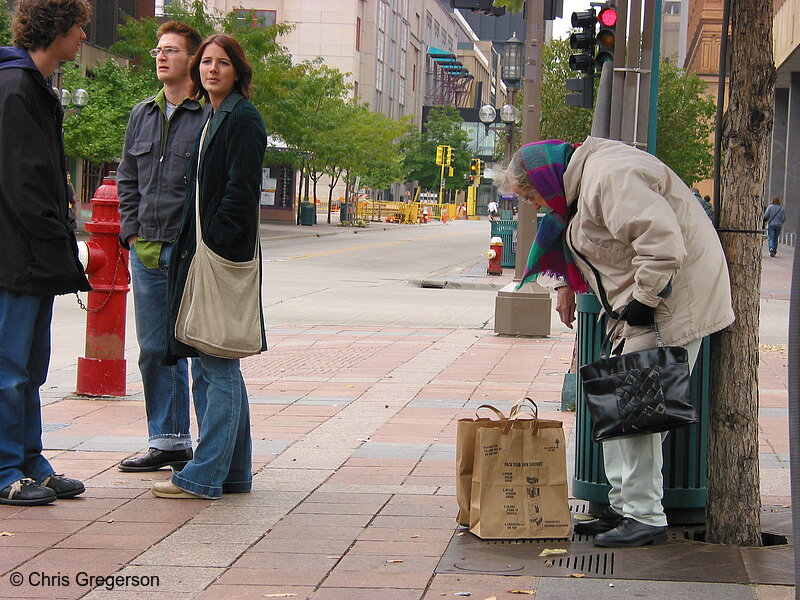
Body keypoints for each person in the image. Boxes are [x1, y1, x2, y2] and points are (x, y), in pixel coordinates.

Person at [495, 138, 734, 547]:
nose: (532, 204)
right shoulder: (587, 181)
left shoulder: (609, 176)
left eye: (530, 194)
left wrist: (643, 300)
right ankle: (624, 507)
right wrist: (573, 290)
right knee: (622, 408)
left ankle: (645, 516)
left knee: (637, 414)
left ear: (544, 178)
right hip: (648, 303)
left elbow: (661, 245)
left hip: (671, 303)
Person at [153, 34, 267, 500]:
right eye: (206, 62)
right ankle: (234, 472)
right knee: (218, 363)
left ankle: (202, 474)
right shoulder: (214, 115)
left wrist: (211, 243)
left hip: (219, 258)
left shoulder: (242, 117)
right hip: (205, 253)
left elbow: (241, 194)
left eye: (222, 63)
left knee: (216, 364)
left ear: (238, 71)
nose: (211, 70)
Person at [0, 0, 92, 506]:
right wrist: (55, 245)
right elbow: (22, 184)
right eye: (79, 26)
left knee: (30, 369)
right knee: (10, 369)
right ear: (55, 27)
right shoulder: (15, 87)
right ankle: (5, 469)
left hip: (30, 256)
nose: (83, 35)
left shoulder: (33, 87)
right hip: (15, 257)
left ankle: (29, 460)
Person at [116, 21, 209, 473]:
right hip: (146, 250)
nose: (160, 55)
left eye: (171, 50)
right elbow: (126, 179)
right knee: (154, 348)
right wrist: (130, 233)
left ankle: (209, 448)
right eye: (158, 49)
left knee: (196, 348)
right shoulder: (142, 113)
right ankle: (168, 440)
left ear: (192, 60)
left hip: (190, 251)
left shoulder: (209, 113)